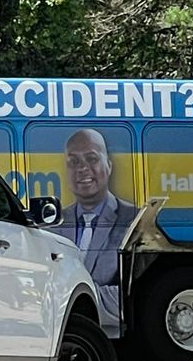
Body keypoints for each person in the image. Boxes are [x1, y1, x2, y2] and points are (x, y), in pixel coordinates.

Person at [51, 128, 139, 336]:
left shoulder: (133, 220)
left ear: (108, 166)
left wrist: (69, 303)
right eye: (73, 162)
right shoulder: (53, 224)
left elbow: (134, 295)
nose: (82, 169)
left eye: (91, 158)